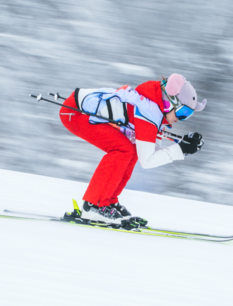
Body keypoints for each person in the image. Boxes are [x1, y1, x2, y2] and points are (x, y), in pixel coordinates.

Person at [58, 73, 206, 223]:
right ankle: (94, 205)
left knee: (132, 150)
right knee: (123, 150)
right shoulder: (149, 111)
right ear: (169, 102)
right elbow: (147, 160)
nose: (180, 119)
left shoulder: (156, 106)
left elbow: (150, 149)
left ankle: (107, 201)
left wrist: (182, 147)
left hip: (78, 107)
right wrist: (181, 150)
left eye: (188, 115)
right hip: (75, 112)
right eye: (183, 112)